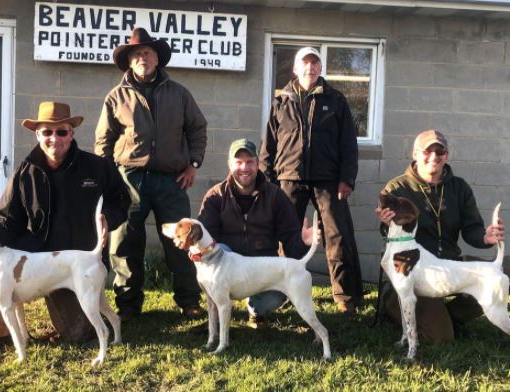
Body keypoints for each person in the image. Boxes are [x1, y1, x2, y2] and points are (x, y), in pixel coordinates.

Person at [0, 101, 129, 353]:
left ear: (72, 133)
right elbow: (6, 220)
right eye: (47, 132)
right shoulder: (24, 172)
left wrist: (107, 218)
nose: (54, 138)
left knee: (79, 334)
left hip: (72, 263)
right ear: (37, 135)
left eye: (61, 132)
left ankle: (62, 312)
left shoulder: (97, 167)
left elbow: (122, 200)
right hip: (32, 261)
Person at [95, 28, 207, 321]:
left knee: (182, 242)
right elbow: (103, 141)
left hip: (171, 180)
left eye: (147, 52)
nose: (142, 58)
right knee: (125, 242)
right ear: (129, 62)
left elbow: (198, 128)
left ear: (157, 58)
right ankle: (129, 306)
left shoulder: (180, 93)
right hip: (128, 178)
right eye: (136, 54)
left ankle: (189, 300)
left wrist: (192, 164)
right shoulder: (116, 97)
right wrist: (108, 179)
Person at [375, 129, 510, 342]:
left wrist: (486, 237)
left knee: (504, 274)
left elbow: (472, 228)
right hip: (413, 271)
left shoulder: (459, 188)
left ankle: (449, 316)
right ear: (416, 154)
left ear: (446, 155)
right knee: (442, 337)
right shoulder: (398, 187)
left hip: (449, 263)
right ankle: (394, 304)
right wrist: (385, 222)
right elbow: (389, 235)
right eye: (428, 151)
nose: (434, 157)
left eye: (440, 152)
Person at [260, 46, 364, 314]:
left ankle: (346, 297)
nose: (310, 68)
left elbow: (348, 146)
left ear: (320, 69)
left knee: (338, 235)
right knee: (287, 237)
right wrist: (267, 181)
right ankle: (283, 293)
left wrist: (347, 179)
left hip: (328, 181)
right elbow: (268, 145)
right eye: (305, 64)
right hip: (288, 178)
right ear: (295, 69)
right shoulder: (281, 101)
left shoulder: (336, 100)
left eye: (315, 64)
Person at [198, 139, 317, 328]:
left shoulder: (275, 196)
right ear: (230, 164)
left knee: (277, 293)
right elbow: (204, 241)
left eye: (250, 162)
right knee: (216, 251)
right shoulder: (215, 196)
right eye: (238, 162)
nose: (244, 167)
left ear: (257, 164)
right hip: (228, 268)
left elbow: (290, 241)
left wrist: (303, 240)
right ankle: (218, 313)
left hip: (261, 270)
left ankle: (256, 310)